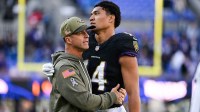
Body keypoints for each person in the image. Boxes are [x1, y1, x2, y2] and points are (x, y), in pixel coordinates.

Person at [43, 1, 141, 112]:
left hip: (112, 108)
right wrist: (56, 69)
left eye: (96, 13)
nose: (91, 18)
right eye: (91, 14)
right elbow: (70, 62)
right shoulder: (85, 40)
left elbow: (133, 93)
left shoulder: (123, 43)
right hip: (86, 106)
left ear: (111, 18)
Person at [48, 16, 126, 112]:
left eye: (86, 31)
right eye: (80, 33)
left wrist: (115, 97)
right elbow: (85, 101)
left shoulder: (78, 63)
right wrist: (112, 97)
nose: (87, 35)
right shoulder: (66, 68)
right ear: (68, 40)